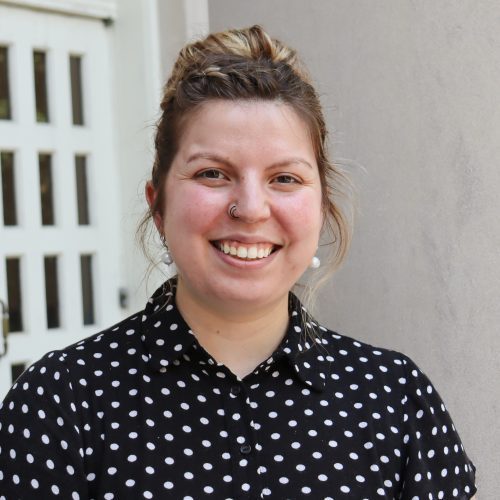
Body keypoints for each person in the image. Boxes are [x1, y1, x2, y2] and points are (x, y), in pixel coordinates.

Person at [0, 25, 476, 499]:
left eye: (284, 178)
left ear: (322, 207)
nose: (250, 208)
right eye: (213, 173)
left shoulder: (395, 399)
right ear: (158, 205)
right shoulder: (61, 401)